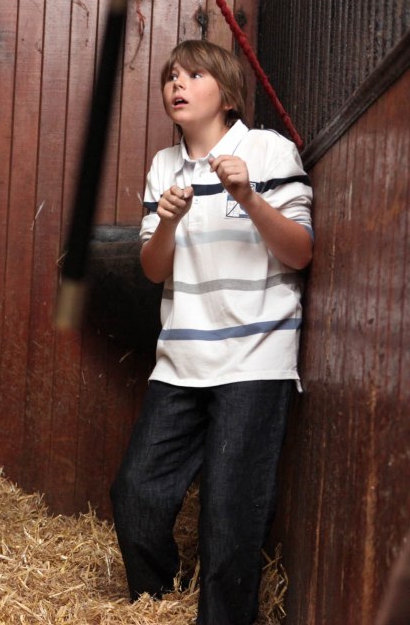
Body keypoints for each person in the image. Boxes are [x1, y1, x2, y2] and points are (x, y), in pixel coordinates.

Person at [109, 39, 313, 625]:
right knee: (137, 497)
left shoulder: (268, 151)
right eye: (170, 76)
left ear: (224, 92)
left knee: (230, 515)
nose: (176, 84)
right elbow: (153, 270)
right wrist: (167, 223)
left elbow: (299, 253)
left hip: (255, 360)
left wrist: (247, 196)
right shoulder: (163, 166)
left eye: (192, 75)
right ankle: (163, 603)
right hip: (181, 362)